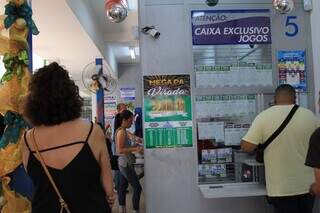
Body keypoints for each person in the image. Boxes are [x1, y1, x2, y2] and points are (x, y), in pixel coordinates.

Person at [21, 62, 115, 213]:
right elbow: (109, 189)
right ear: (71, 95)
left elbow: (35, 179)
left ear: (34, 100)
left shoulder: (27, 140)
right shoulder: (92, 131)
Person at [241, 84, 319, 213]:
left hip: (281, 187)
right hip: (308, 185)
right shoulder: (310, 116)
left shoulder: (264, 117)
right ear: (295, 98)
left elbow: (247, 147)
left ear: (275, 99)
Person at [116, 110, 143, 213]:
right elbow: (120, 149)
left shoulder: (124, 130)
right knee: (137, 188)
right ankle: (135, 210)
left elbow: (133, 138)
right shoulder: (121, 132)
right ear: (124, 120)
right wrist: (135, 149)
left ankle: (122, 209)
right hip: (125, 164)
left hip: (124, 163)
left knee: (122, 187)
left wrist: (138, 142)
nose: (132, 123)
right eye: (130, 121)